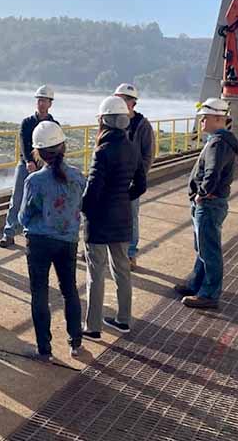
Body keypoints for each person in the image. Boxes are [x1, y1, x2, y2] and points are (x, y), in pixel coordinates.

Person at [20, 121, 87, 360]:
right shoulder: (78, 177)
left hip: (39, 241)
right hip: (68, 240)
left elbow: (23, 216)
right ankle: (75, 340)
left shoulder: (34, 181)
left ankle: (44, 348)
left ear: (37, 152)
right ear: (63, 147)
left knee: (40, 293)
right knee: (69, 289)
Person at [81, 97, 147, 336]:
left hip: (99, 220)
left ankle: (93, 326)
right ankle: (123, 319)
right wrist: (122, 197)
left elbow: (93, 189)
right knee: (122, 270)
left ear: (105, 121)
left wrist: (85, 210)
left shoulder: (103, 151)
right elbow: (140, 185)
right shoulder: (132, 147)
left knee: (95, 272)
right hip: (122, 217)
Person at [175, 98, 238, 310]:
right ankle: (196, 284)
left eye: (205, 117)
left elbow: (212, 172)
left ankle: (209, 294)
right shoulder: (217, 140)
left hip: (209, 204)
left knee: (209, 250)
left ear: (219, 118)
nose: (201, 120)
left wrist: (202, 194)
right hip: (210, 203)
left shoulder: (218, 143)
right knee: (203, 247)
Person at [0, 85, 57, 248]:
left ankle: (36, 234)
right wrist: (28, 161)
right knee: (17, 198)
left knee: (44, 200)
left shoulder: (53, 124)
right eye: (39, 100)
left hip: (45, 165)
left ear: (50, 103)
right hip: (26, 165)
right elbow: (24, 143)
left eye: (44, 101)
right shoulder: (27, 122)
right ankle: (8, 233)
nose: (41, 104)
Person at [115, 83, 154, 270]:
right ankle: (111, 250)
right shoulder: (112, 121)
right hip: (112, 178)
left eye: (124, 100)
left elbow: (148, 155)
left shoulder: (142, 126)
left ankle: (130, 254)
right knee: (109, 213)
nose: (121, 103)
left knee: (131, 216)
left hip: (131, 180)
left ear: (133, 103)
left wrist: (138, 178)